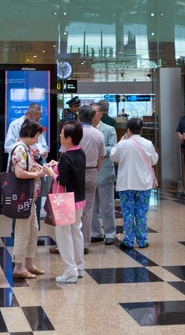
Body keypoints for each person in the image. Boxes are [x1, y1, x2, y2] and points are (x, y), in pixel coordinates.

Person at [8, 120, 54, 280]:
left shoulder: (25, 148)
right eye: (37, 136)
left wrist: (45, 168)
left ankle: (28, 263)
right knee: (22, 232)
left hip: (29, 198)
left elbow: (31, 167)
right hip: (23, 197)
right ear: (30, 134)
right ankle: (19, 267)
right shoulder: (20, 148)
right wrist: (37, 175)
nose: (37, 140)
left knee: (33, 231)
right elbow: (19, 173)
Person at [110, 117, 158, 249]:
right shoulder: (148, 143)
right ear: (141, 129)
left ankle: (129, 240)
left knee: (128, 213)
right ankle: (142, 240)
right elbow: (154, 160)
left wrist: (119, 142)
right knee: (142, 213)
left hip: (126, 184)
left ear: (128, 130)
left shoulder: (123, 144)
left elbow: (113, 157)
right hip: (144, 184)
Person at [51, 120, 86, 283]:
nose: (60, 135)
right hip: (79, 199)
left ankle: (70, 271)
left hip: (65, 200)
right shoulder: (80, 153)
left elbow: (62, 180)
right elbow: (72, 171)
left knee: (63, 235)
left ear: (69, 138)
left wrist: (49, 172)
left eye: (62, 133)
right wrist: (58, 165)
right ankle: (79, 267)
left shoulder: (66, 156)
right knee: (76, 232)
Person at [76, 105, 105, 255]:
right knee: (88, 210)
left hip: (75, 174)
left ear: (79, 117)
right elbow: (101, 157)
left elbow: (64, 154)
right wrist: (95, 169)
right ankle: (85, 243)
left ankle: (72, 243)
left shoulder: (74, 131)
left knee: (73, 209)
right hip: (92, 171)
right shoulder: (98, 134)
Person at [90, 100, 117, 244]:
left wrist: (97, 151)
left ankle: (110, 233)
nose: (92, 115)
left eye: (94, 112)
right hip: (90, 172)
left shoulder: (109, 129)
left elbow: (113, 148)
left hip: (105, 171)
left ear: (101, 113)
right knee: (92, 206)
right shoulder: (85, 129)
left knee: (107, 205)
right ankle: (95, 232)